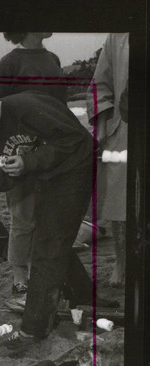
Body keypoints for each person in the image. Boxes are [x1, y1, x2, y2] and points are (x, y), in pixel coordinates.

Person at [0, 82, 118, 349]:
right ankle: (85, 297)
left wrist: (29, 163)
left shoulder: (27, 108)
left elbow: (77, 141)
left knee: (47, 247)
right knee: (48, 238)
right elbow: (12, 177)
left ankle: (33, 331)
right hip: (47, 178)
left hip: (76, 171)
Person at [0, 32, 67, 299]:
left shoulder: (52, 58)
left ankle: (38, 271)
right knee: (22, 217)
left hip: (51, 151)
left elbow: (60, 108)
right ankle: (19, 277)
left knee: (48, 216)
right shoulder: (9, 63)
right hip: (18, 150)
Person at [86, 33, 128, 287]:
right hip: (124, 128)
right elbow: (101, 85)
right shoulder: (118, 35)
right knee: (119, 200)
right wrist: (101, 128)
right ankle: (122, 262)